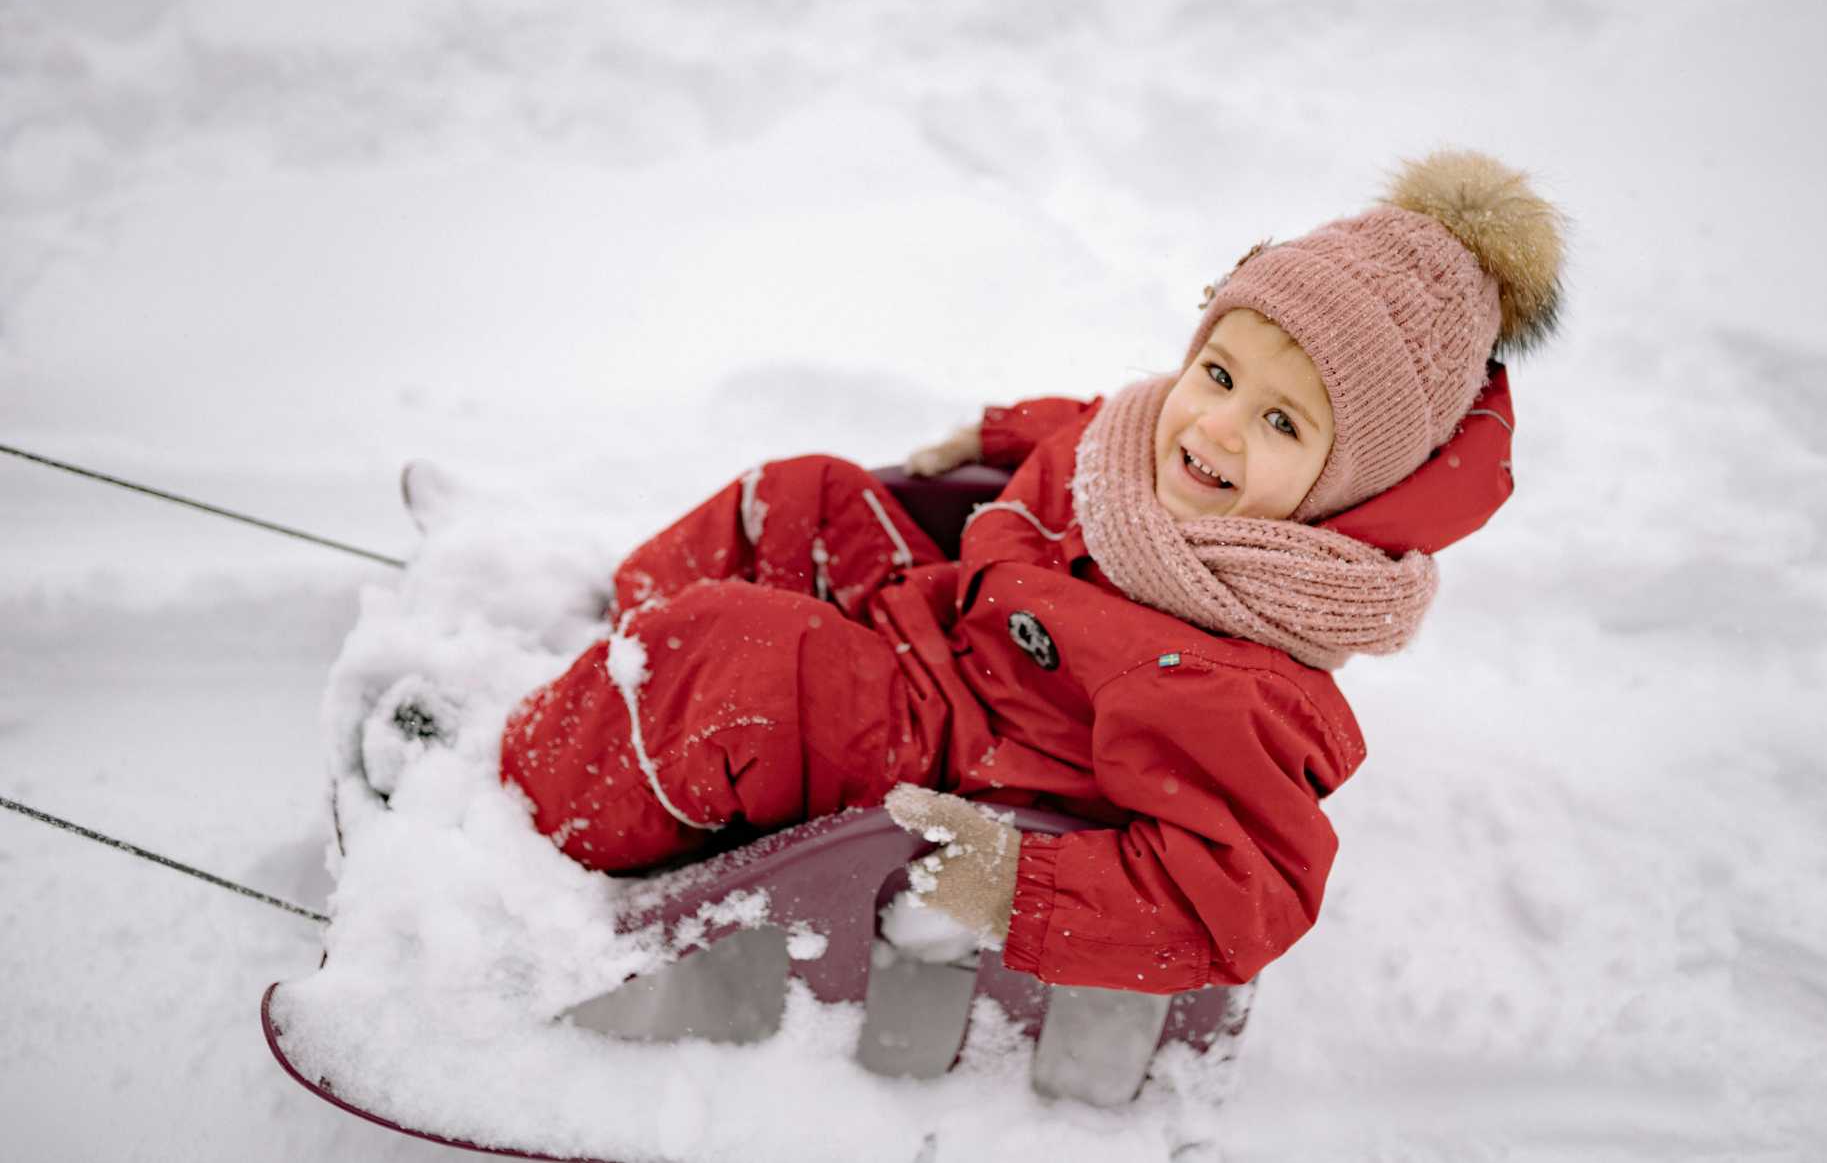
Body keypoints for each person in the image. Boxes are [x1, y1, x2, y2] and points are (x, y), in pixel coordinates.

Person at [497, 149, 1565, 995]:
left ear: (1341, 488)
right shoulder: (1146, 447)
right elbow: (1090, 430)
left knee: (737, 659)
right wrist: (997, 436)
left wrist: (1019, 887)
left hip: (959, 754)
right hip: (939, 626)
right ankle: (607, 701)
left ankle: (524, 823)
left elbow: (1242, 893)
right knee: (802, 496)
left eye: (1280, 422)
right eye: (1219, 371)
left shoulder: (1240, 677)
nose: (1214, 426)